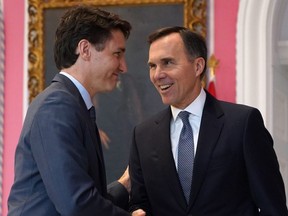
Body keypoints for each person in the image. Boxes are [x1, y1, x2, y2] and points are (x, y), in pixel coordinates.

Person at [129, 26, 288, 215]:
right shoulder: (143, 135)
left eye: (168, 62)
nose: (157, 75)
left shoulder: (243, 124)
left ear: (198, 66)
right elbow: (139, 204)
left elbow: (273, 207)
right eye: (152, 66)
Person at [8, 6, 145, 216]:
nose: (123, 66)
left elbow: (80, 197)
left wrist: (124, 185)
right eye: (117, 54)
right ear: (85, 49)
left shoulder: (71, 105)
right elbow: (77, 204)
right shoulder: (57, 107)